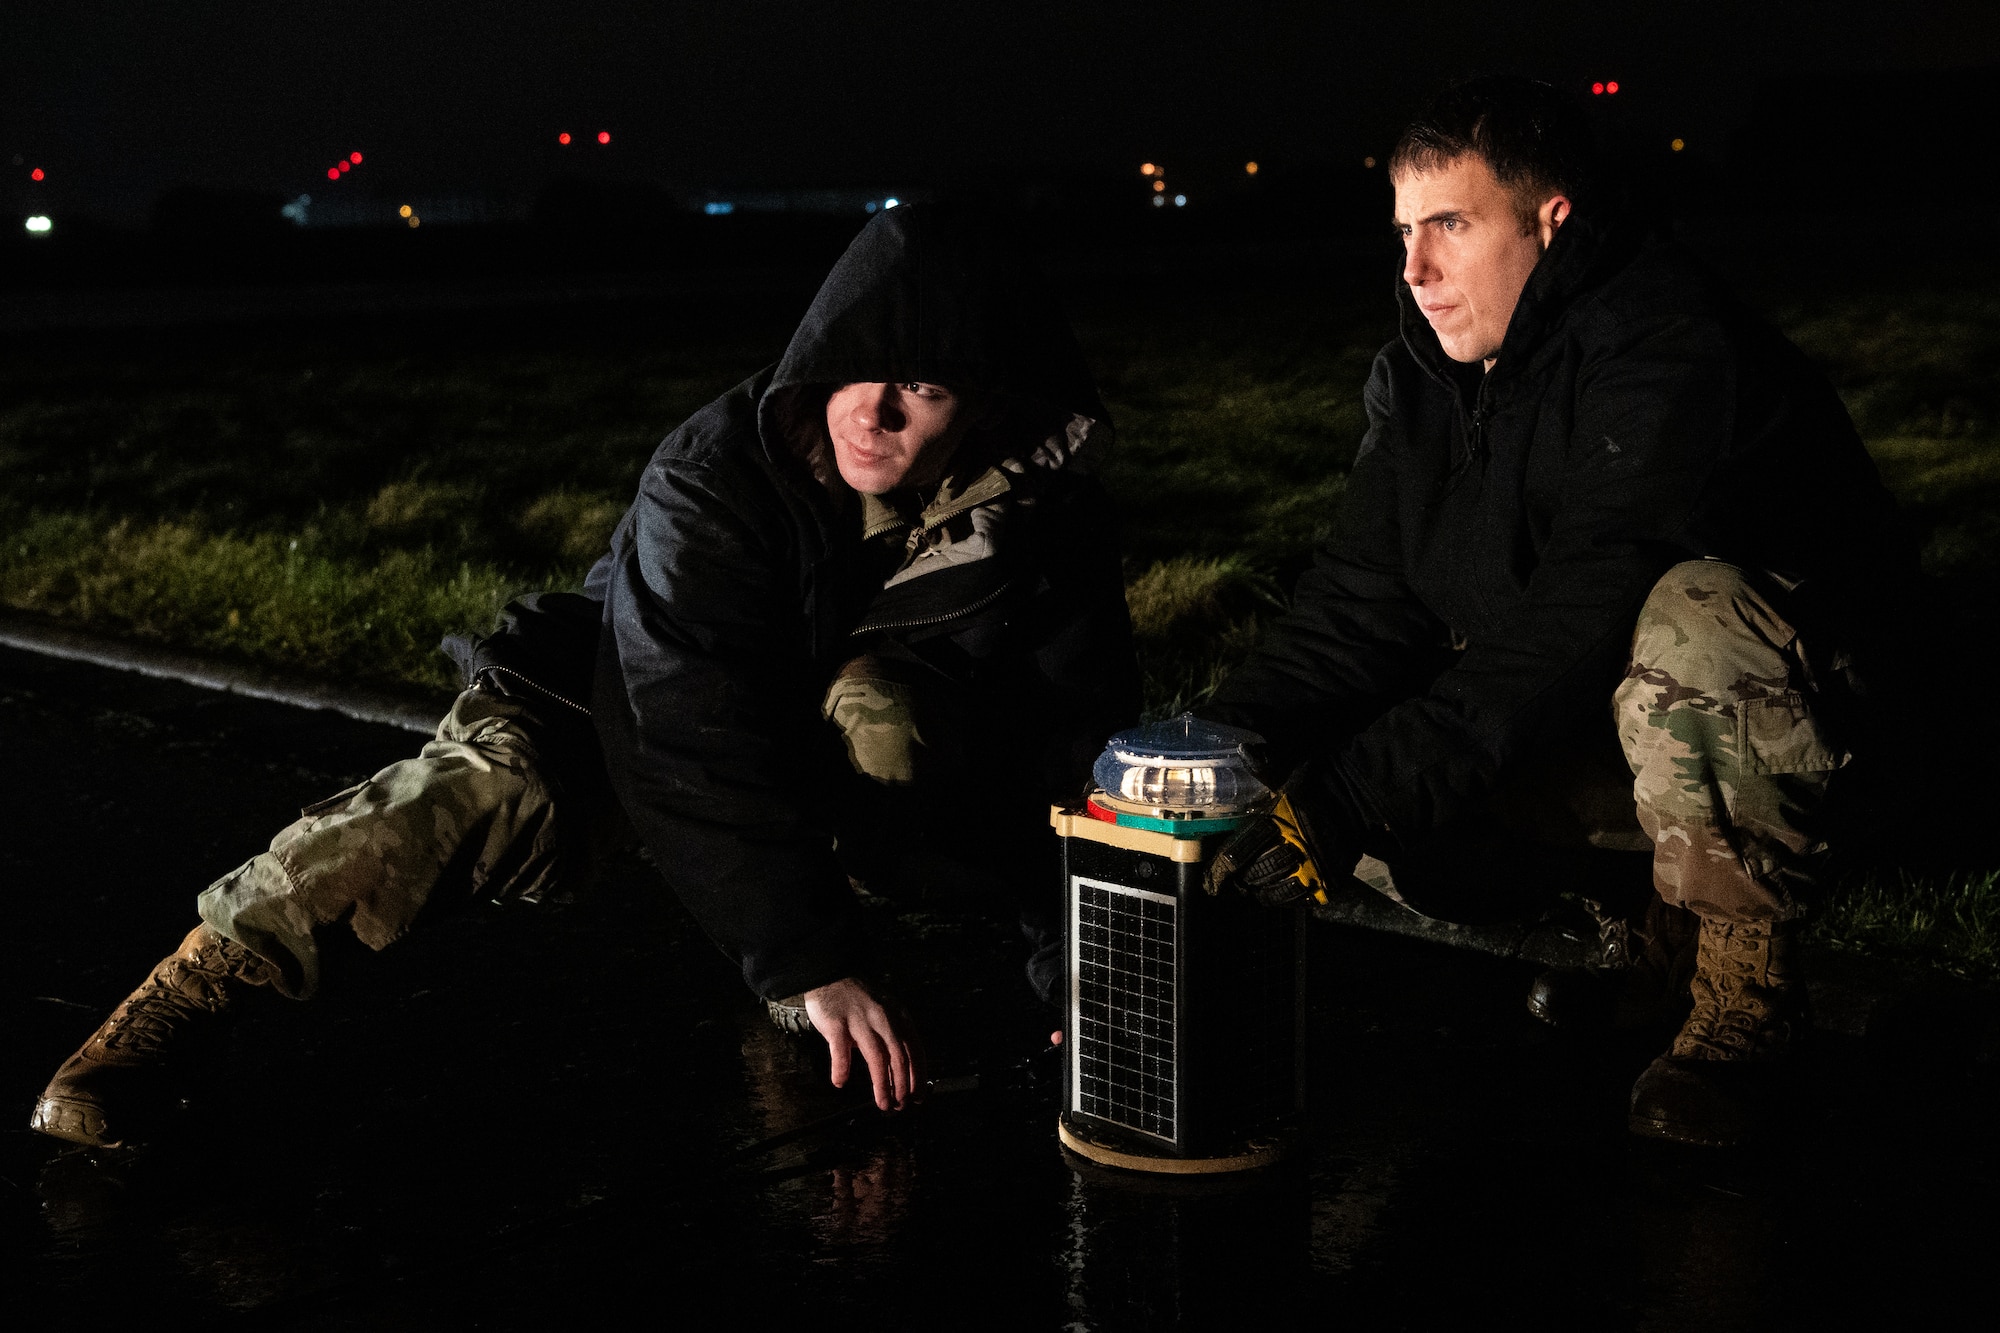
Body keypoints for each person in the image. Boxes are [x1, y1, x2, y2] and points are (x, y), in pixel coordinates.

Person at [31, 204, 1138, 1147]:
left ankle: (793, 967)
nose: (870, 409)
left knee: (894, 721)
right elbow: (682, 723)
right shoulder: (714, 473)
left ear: (982, 401)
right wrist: (808, 957)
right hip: (620, 695)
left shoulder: (1038, 520)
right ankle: (158, 1019)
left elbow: (1070, 741)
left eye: (919, 387)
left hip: (813, 739)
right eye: (853, 367)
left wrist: (1076, 985)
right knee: (473, 799)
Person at [1202, 76, 1911, 1147]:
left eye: (1448, 224)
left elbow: (1597, 592)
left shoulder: (1663, 337)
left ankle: (1744, 993)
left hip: (1814, 744)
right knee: (1359, 778)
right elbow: (1356, 603)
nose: (1414, 269)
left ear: (1550, 218)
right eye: (1401, 230)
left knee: (1693, 611)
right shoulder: (1424, 379)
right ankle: (1642, 937)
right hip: (1620, 725)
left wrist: (1359, 789)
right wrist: (1210, 753)